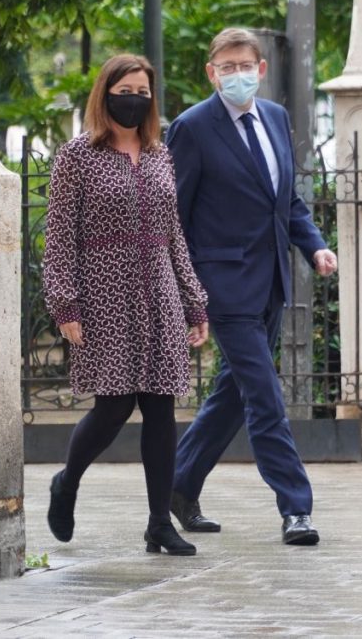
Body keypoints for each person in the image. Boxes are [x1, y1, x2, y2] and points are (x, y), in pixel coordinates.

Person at [166, 28, 338, 546]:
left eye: (245, 65)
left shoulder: (277, 119)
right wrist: (186, 288)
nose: (236, 74)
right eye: (226, 66)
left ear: (261, 70)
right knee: (265, 396)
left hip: (271, 281)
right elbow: (175, 214)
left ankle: (178, 485)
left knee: (233, 394)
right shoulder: (192, 128)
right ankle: (296, 508)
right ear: (211, 72)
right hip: (222, 285)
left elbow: (286, 202)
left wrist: (314, 246)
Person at [42, 54, 210, 556]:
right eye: (125, 89)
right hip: (102, 292)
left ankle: (159, 523)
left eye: (142, 90)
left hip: (157, 290)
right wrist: (65, 303)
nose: (134, 98)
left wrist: (194, 302)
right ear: (105, 94)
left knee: (161, 407)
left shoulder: (160, 154)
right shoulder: (76, 157)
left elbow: (174, 233)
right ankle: (66, 482)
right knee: (113, 406)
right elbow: (59, 238)